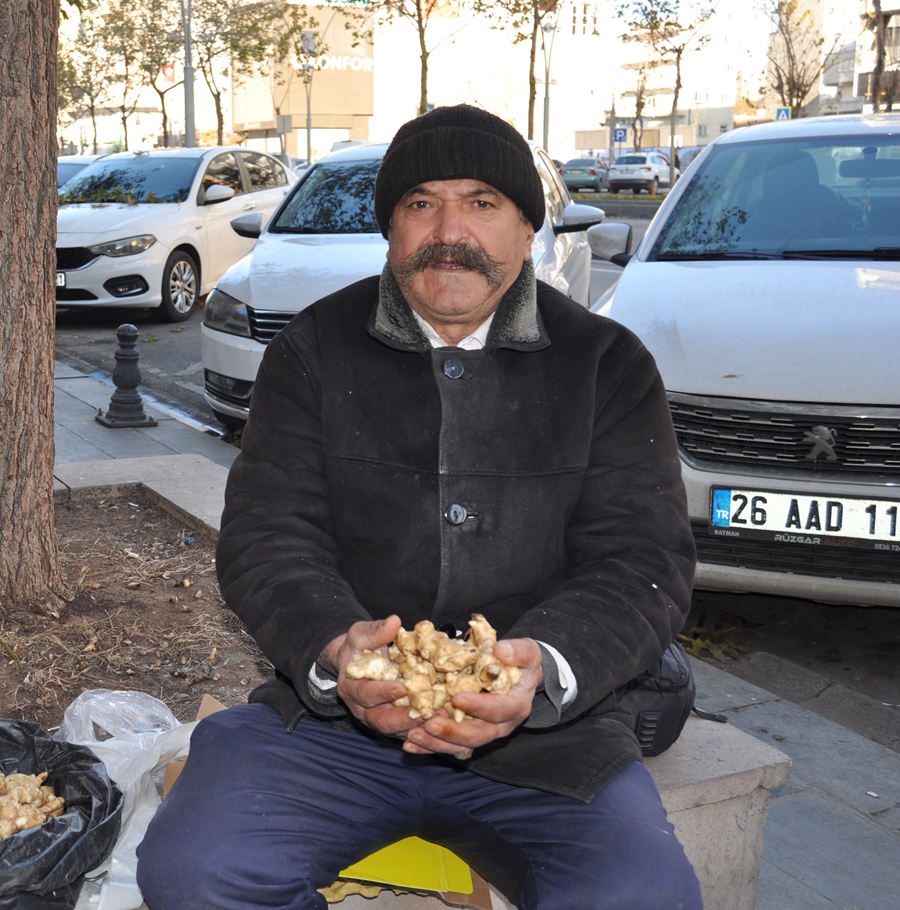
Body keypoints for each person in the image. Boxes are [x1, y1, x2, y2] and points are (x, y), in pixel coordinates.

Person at [136, 104, 702, 910]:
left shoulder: (605, 364)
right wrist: (337, 650)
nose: (449, 231)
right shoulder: (312, 350)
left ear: (527, 228)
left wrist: (540, 669)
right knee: (197, 872)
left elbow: (644, 563)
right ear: (390, 230)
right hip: (335, 733)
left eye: (482, 203)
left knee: (642, 897)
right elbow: (267, 538)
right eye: (421, 204)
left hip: (547, 745)